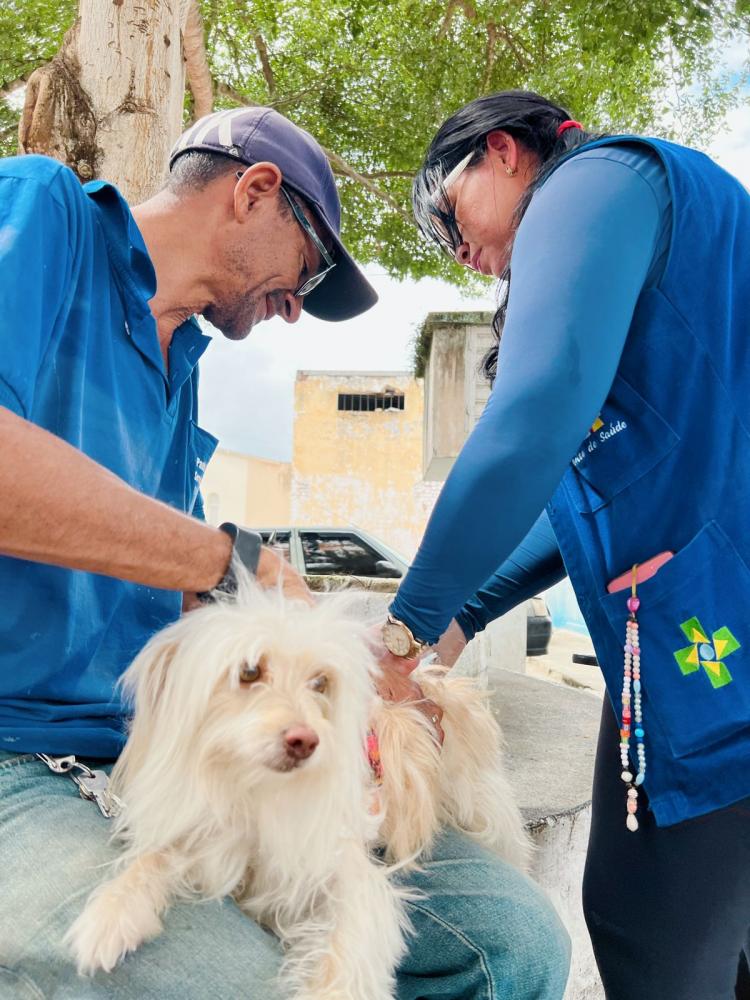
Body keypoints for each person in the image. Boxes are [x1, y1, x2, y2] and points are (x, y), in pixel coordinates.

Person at [0, 106, 570, 999]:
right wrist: (226, 558)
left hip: (143, 753)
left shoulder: (180, 372)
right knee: (233, 980)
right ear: (255, 191)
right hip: (13, 754)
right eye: (302, 269)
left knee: (508, 943)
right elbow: (194, 559)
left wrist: (349, 695)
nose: (294, 308)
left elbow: (189, 611)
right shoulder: (43, 212)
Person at [373, 89, 750, 999]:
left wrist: (400, 633)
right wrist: (462, 611)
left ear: (503, 151)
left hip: (712, 654)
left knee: (650, 935)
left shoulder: (595, 182)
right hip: (702, 642)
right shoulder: (644, 261)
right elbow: (578, 492)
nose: (459, 252)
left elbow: (530, 422)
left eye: (445, 211)